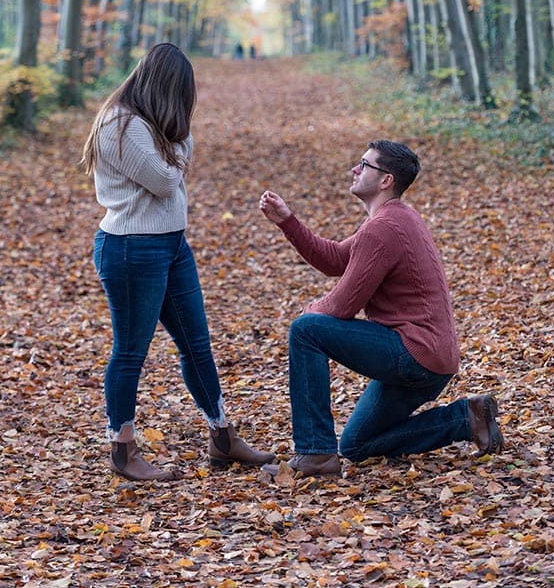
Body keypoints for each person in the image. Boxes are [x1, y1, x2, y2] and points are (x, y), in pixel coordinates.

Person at [82, 43, 274, 482]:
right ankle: (122, 447)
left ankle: (222, 436)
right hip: (132, 248)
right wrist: (183, 141)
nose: (185, 109)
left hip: (170, 245)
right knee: (131, 352)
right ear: (166, 89)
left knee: (196, 344)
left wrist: (176, 143)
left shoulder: (146, 124)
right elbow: (165, 181)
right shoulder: (122, 123)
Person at [258, 139, 504, 479]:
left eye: (364, 164)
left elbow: (343, 305)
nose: (355, 170)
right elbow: (335, 261)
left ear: (386, 180)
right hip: (433, 359)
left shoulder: (385, 227)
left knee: (306, 331)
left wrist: (311, 310)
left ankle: (314, 454)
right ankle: (467, 418)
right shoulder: (394, 219)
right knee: (357, 445)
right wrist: (288, 221)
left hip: (415, 353)